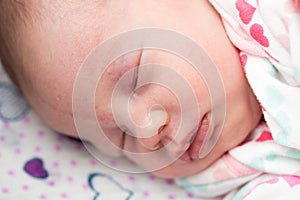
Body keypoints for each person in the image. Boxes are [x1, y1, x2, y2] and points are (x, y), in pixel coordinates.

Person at [0, 0, 299, 198]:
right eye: (120, 137)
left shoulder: (275, 13)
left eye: (136, 80)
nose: (147, 134)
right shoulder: (239, 177)